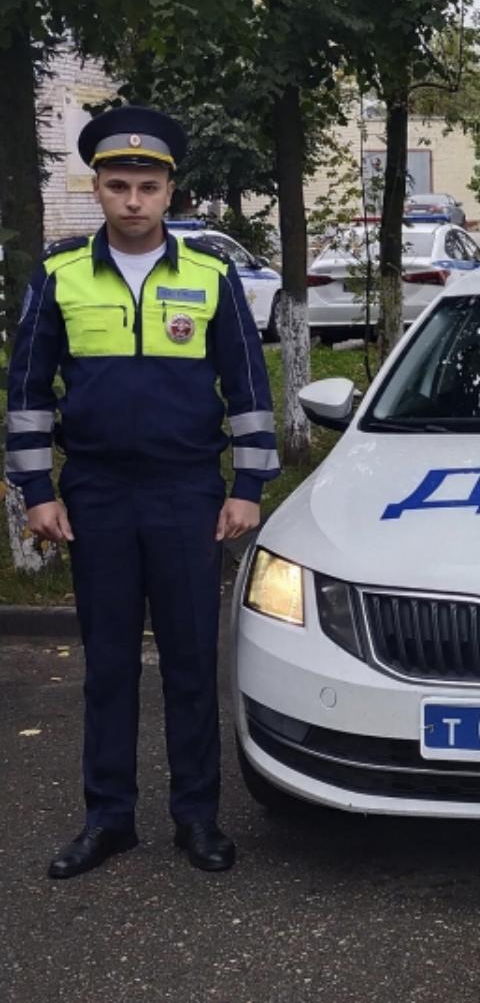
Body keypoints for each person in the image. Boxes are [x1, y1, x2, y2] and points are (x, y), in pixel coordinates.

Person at [3, 106, 279, 878]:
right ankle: (109, 818)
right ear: (97, 188)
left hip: (187, 491)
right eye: (118, 184)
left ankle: (196, 818)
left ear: (169, 192)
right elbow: (26, 393)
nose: (132, 199)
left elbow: (249, 389)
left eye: (147, 186)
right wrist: (36, 490)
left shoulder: (210, 275)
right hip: (94, 493)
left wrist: (248, 485)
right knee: (110, 663)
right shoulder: (59, 275)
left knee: (192, 661)